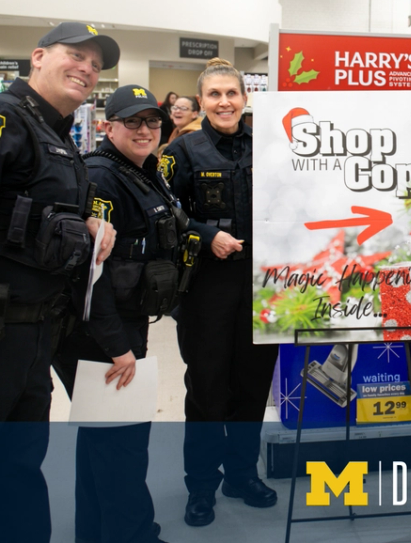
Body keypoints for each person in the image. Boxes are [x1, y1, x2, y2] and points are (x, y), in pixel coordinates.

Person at [0, 21, 118, 543]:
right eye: (75, 56)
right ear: (38, 56)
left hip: (31, 343)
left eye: (95, 64)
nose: (86, 69)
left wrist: (89, 224)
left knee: (18, 473)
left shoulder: (56, 137)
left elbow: (35, 212)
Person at [53, 85, 189, 543]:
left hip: (123, 322)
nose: (144, 129)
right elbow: (88, 276)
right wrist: (117, 347)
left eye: (152, 121)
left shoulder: (143, 170)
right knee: (123, 444)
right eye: (132, 121)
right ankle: (132, 534)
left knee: (103, 440)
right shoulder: (102, 177)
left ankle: (97, 532)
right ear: (109, 126)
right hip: (102, 333)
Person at [164, 58, 278, 527]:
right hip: (206, 286)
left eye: (232, 93)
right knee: (207, 388)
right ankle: (201, 486)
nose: (224, 102)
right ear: (201, 101)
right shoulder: (182, 151)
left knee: (252, 387)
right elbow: (164, 209)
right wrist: (204, 233)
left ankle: (242, 475)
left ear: (245, 99)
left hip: (262, 285)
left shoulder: (270, 145)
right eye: (214, 94)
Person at [158, 96, 202, 161]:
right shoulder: (177, 131)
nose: (177, 111)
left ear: (194, 114)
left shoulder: (196, 135)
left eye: (183, 108)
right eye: (175, 108)